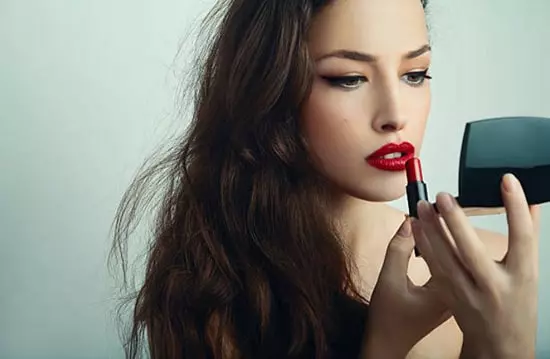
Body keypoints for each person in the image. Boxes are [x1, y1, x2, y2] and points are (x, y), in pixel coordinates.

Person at [110, 0, 541, 357]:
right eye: (349, 79)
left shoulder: (498, 266)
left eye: (414, 74)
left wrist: (503, 339)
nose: (395, 116)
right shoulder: (223, 287)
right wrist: (387, 345)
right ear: (272, 90)